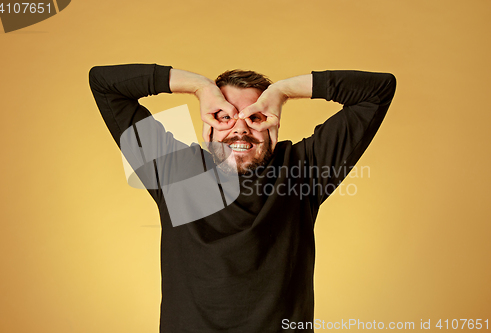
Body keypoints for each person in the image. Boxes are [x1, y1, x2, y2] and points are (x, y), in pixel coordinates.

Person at [89, 63, 396, 332]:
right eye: (224, 116)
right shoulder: (174, 172)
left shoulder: (303, 171)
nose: (240, 129)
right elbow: (104, 83)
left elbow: (379, 90)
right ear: (207, 122)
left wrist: (283, 91)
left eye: (255, 117)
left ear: (273, 121)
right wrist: (199, 87)